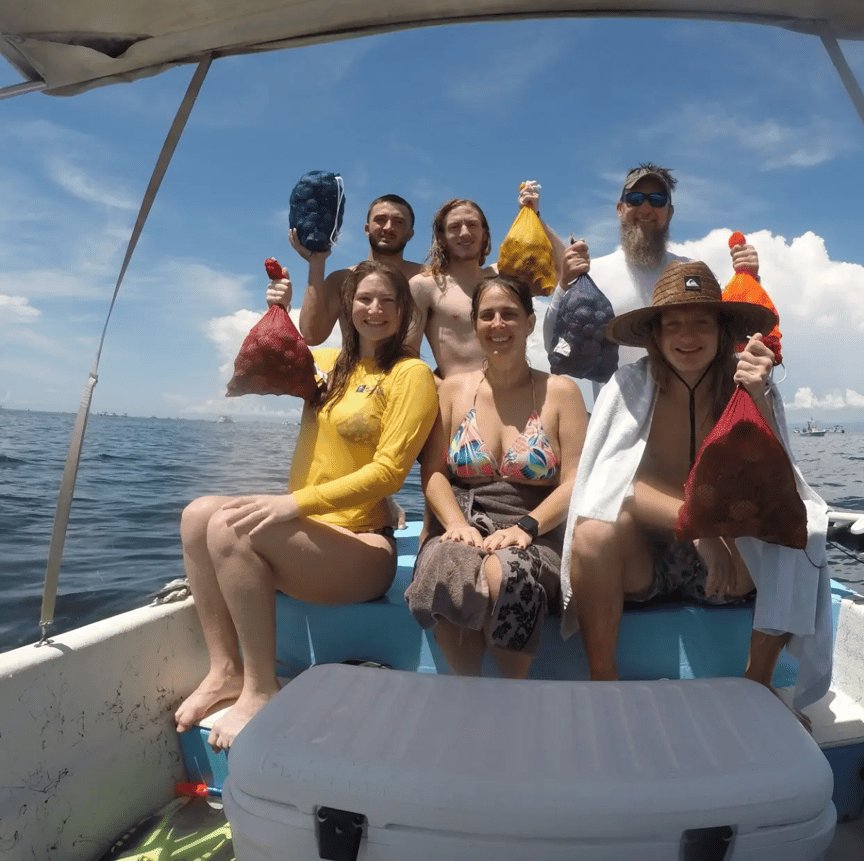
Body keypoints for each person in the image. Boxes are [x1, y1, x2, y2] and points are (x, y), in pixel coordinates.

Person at [174, 260, 438, 749]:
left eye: (387, 301)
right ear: (348, 307)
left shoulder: (411, 375)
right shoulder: (331, 366)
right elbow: (267, 362)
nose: (374, 309)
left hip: (361, 548)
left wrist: (294, 503)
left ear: (405, 313)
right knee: (197, 516)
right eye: (364, 299)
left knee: (232, 529)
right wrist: (278, 309)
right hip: (310, 535)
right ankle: (226, 669)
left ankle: (260, 690)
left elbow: (389, 473)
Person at [562, 260, 832, 714]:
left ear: (724, 329)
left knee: (805, 531)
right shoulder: (630, 383)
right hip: (647, 558)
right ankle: (603, 681)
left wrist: (760, 395)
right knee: (591, 535)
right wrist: (700, 529)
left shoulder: (748, 383)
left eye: (701, 323)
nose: (687, 337)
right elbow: (613, 484)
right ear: (656, 333)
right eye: (674, 325)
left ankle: (758, 682)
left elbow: (778, 481)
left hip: (732, 564)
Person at [405, 274, 588, 678]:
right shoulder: (452, 391)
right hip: (467, 519)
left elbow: (576, 480)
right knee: (450, 561)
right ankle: (468, 687)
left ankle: (511, 688)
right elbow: (433, 472)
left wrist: (527, 527)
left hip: (539, 530)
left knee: (506, 571)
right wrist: (454, 524)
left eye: (509, 314)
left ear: (529, 322)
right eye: (487, 315)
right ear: (475, 326)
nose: (497, 325)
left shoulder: (562, 392)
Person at [541, 163, 759, 407]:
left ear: (670, 212)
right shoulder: (592, 275)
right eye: (634, 198)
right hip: (620, 430)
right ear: (620, 209)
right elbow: (554, 344)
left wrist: (750, 280)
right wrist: (563, 285)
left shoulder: (694, 272)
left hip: (693, 421)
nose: (645, 208)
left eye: (657, 199)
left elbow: (732, 338)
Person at [408, 182, 565, 378]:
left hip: (515, 396)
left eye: (472, 225)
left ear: (484, 233)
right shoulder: (425, 286)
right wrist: (445, 390)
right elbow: (407, 356)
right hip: (458, 402)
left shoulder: (503, 275)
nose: (465, 232)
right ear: (442, 237)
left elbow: (563, 272)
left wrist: (534, 216)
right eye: (454, 227)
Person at [293, 193, 423, 345]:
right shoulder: (342, 280)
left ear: (410, 234)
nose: (388, 227)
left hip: (408, 368)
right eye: (380, 220)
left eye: (399, 222)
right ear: (367, 229)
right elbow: (312, 336)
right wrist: (316, 263)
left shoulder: (425, 279)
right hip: (353, 368)